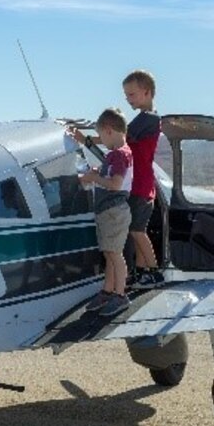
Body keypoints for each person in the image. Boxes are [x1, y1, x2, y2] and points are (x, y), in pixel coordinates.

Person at [68, 109, 132, 317]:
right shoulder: (115, 155)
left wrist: (94, 179)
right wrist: (97, 172)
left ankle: (121, 295)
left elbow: (115, 184)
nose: (101, 140)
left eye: (102, 136)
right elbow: (109, 175)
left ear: (109, 131)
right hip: (108, 211)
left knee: (115, 254)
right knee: (109, 253)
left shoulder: (120, 155)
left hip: (114, 211)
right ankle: (108, 291)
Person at [122, 70, 164, 287]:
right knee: (136, 231)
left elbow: (120, 137)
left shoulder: (148, 119)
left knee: (137, 231)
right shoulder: (145, 119)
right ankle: (141, 272)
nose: (128, 99)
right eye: (127, 95)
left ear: (147, 93)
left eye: (132, 94)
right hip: (139, 185)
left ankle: (155, 272)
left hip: (141, 186)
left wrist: (88, 139)